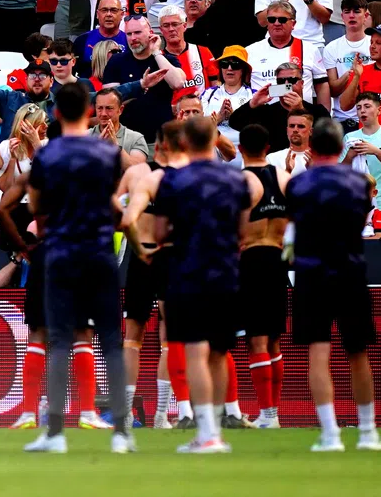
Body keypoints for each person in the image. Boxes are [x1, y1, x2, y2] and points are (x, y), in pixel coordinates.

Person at [20, 81, 135, 455]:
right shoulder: (107, 152)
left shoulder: (48, 157)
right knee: (111, 344)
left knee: (58, 341)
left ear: (55, 113)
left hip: (62, 253)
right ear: (89, 111)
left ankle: (54, 433)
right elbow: (114, 202)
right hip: (99, 252)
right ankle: (121, 432)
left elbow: (37, 207)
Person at [149, 115, 262, 454]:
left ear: (183, 143)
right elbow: (244, 231)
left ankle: (207, 433)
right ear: (214, 140)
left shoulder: (173, 182)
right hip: (226, 273)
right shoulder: (235, 180)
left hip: (187, 272)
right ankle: (217, 432)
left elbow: (158, 233)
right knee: (218, 351)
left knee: (196, 351)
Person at [285, 117, 381, 452]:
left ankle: (330, 434)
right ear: (341, 147)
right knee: (357, 352)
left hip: (311, 274)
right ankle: (368, 432)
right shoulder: (359, 183)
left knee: (319, 351)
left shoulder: (297, 185)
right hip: (349, 271)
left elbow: (294, 227)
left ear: (312, 147)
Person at [237, 124, 291, 431]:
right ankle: (274, 413)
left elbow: (236, 225)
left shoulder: (243, 180)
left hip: (253, 258)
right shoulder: (284, 178)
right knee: (273, 339)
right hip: (277, 257)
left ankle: (267, 413)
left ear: (241, 148)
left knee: (256, 339)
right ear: (268, 147)